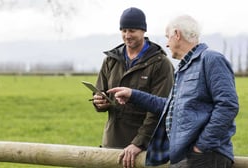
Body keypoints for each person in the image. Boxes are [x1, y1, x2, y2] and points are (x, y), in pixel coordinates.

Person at [108, 15, 239, 168]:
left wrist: (201, 147)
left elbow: (228, 105)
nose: (167, 44)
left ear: (177, 34)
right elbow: (171, 107)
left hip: (205, 156)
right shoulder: (184, 68)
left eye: (167, 37)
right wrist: (133, 94)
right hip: (185, 156)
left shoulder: (211, 59)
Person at [91, 7, 174, 168]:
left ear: (143, 31)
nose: (127, 35)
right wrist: (99, 102)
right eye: (124, 30)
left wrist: (139, 143)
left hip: (146, 148)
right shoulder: (111, 60)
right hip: (112, 143)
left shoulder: (160, 64)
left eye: (132, 30)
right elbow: (100, 91)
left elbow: (161, 109)